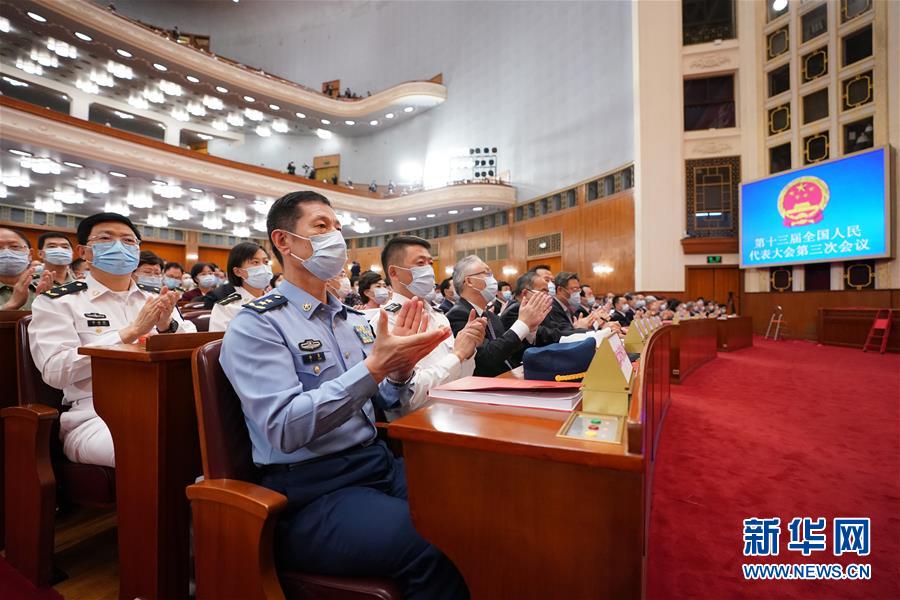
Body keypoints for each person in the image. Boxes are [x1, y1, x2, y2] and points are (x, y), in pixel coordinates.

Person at [219, 191, 469, 599]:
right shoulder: (257, 326)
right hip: (313, 491)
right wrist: (374, 368)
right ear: (283, 242)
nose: (336, 237)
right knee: (433, 541)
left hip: (377, 464)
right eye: (321, 226)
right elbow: (284, 428)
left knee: (479, 506)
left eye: (338, 228)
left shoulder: (351, 319)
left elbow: (384, 401)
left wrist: (399, 369)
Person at [29, 212, 195, 467]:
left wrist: (166, 327)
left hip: (164, 402)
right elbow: (54, 371)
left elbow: (193, 352)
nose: (119, 246)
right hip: (95, 416)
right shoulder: (59, 302)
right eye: (106, 238)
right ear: (84, 252)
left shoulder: (157, 298)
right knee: (156, 443)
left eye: (128, 241)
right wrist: (126, 334)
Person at [371, 235, 485, 417]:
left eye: (429, 263)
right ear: (394, 273)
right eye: (420, 263)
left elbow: (463, 379)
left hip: (456, 412)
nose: (429, 270)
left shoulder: (439, 317)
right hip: (418, 425)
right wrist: (458, 355)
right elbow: (407, 400)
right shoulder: (384, 322)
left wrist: (468, 351)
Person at [447, 256, 552, 376]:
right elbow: (486, 359)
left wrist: (530, 330)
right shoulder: (457, 315)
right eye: (486, 273)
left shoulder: (492, 317)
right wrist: (522, 324)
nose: (492, 279)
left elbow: (510, 351)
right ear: (470, 281)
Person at [209, 242, 271, 332]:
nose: (263, 267)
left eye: (266, 262)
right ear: (238, 271)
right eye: (255, 262)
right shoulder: (226, 307)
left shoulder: (278, 300)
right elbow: (221, 343)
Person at [1, 227, 53, 310]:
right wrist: (10, 305)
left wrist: (50, 304)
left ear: (30, 254)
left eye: (14, 246)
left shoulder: (45, 285)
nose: (6, 252)